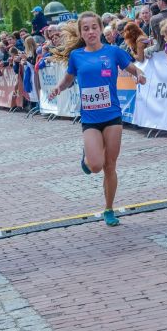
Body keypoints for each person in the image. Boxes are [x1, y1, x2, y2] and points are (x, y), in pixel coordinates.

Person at [48, 12, 146, 227]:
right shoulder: (76, 56)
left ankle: (109, 209)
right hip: (90, 119)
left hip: (112, 116)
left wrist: (139, 75)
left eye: (94, 27)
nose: (91, 31)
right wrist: (58, 88)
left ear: (101, 29)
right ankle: (87, 158)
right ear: (81, 33)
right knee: (95, 166)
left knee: (110, 165)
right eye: (86, 28)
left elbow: (134, 68)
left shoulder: (113, 52)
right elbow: (68, 79)